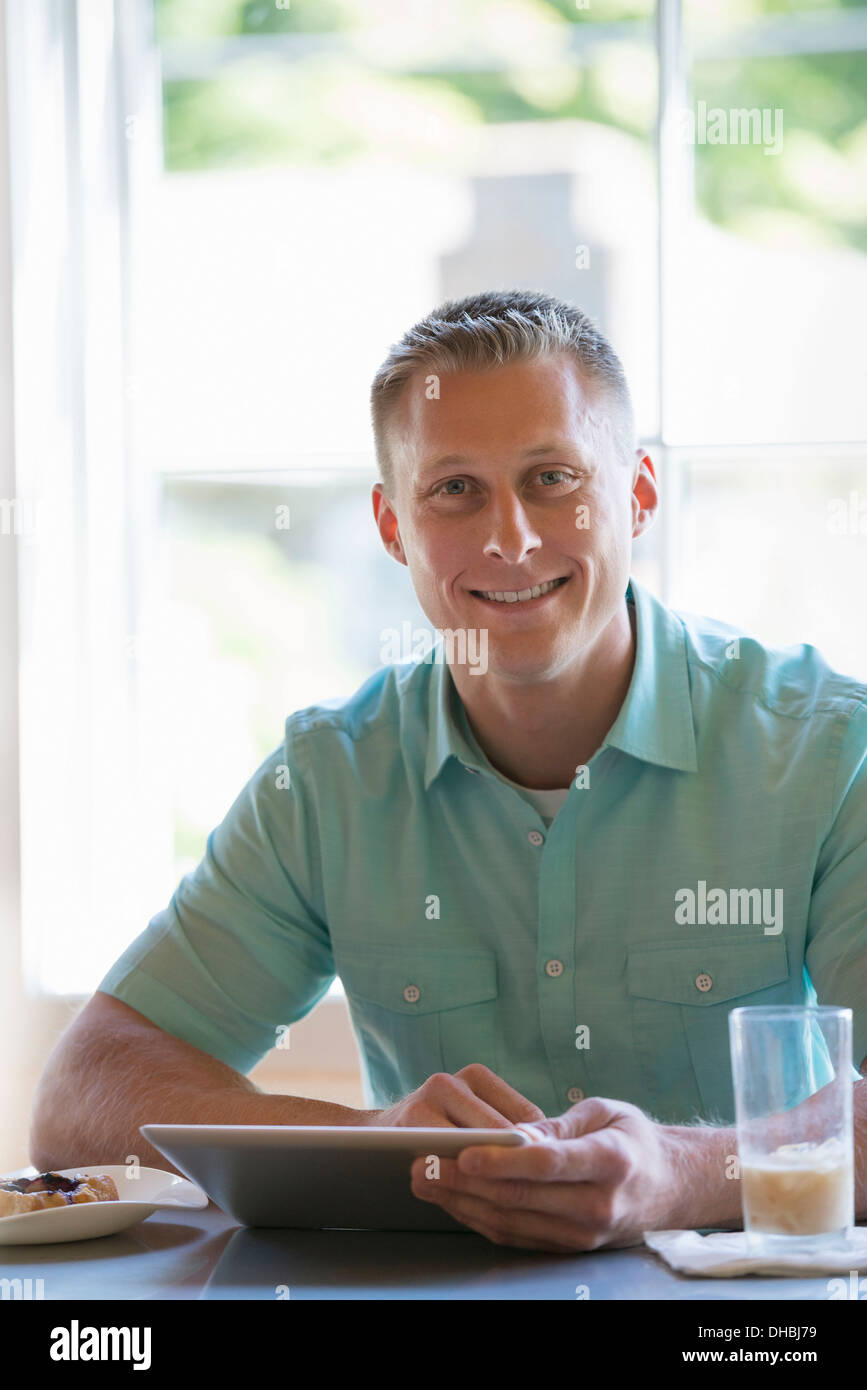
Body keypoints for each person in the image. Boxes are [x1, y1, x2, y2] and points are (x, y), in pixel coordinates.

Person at [31, 289, 867, 1253]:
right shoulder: (328, 784)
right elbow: (83, 1092)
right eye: (455, 490)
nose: (508, 536)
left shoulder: (826, 752)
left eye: (552, 477)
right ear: (393, 527)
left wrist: (679, 1173)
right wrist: (372, 1140)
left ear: (637, 494)